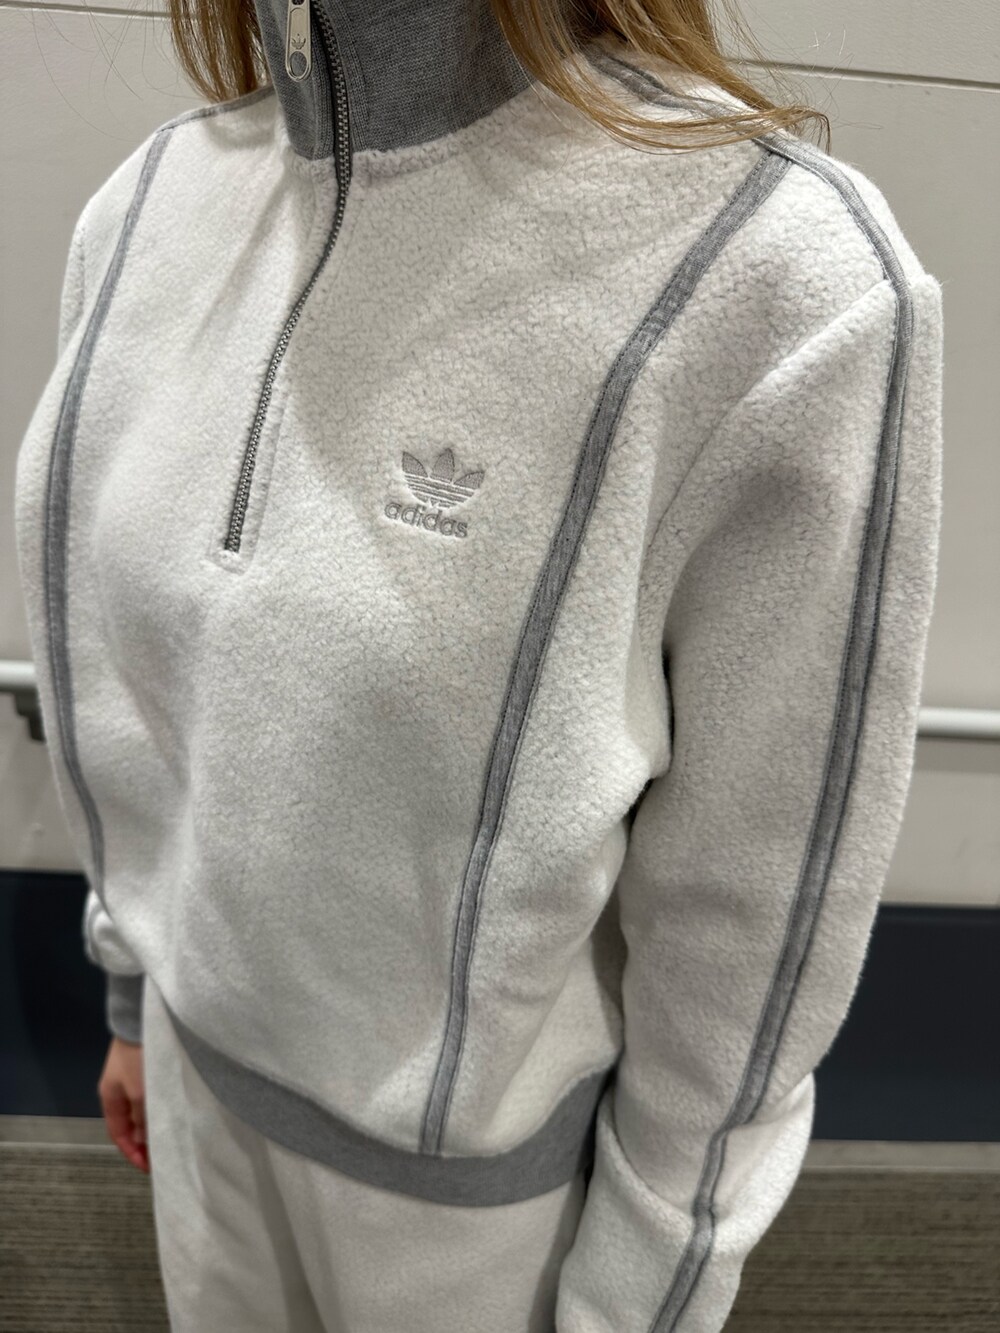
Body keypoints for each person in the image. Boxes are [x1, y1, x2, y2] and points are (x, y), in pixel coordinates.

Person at [14, 0, 944, 1328]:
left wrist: (649, 1284)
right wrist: (134, 988)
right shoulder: (153, 206)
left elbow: (758, 891)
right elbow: (121, 672)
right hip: (194, 1086)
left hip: (474, 1220)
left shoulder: (773, 270)